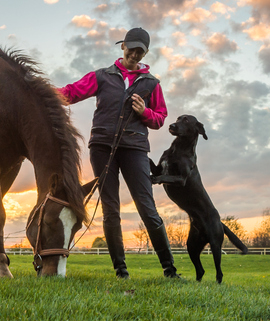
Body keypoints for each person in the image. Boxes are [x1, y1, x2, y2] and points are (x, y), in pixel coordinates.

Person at [57, 27, 179, 279]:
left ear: (145, 54)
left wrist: (144, 112)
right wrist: (41, 91)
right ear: (122, 46)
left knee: (147, 207)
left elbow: (160, 119)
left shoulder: (151, 84)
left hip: (135, 149)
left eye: (140, 52)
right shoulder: (102, 76)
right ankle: (121, 271)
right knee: (110, 209)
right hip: (102, 148)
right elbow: (71, 93)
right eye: (131, 49)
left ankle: (170, 270)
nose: (135, 55)